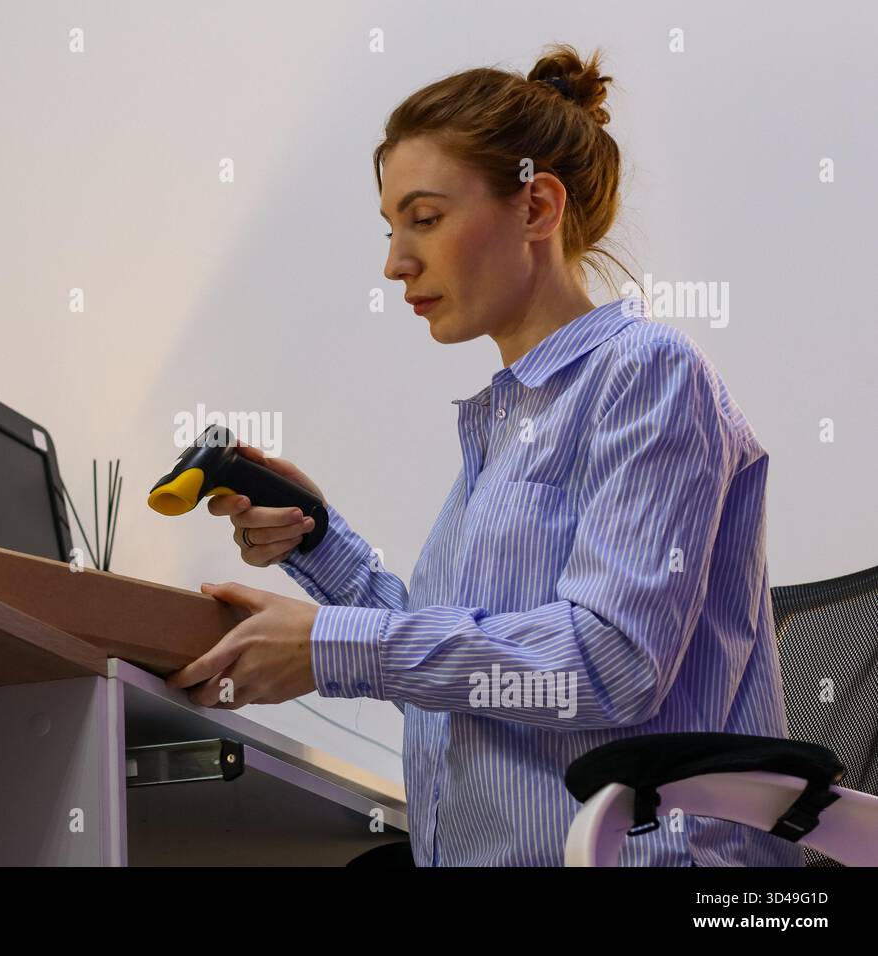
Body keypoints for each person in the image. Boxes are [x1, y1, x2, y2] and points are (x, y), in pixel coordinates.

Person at [165, 43, 800, 867]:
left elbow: (610, 664)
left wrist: (332, 645)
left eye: (424, 219)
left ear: (537, 207)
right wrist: (317, 543)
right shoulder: (505, 426)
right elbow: (463, 675)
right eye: (392, 228)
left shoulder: (647, 376)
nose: (395, 263)